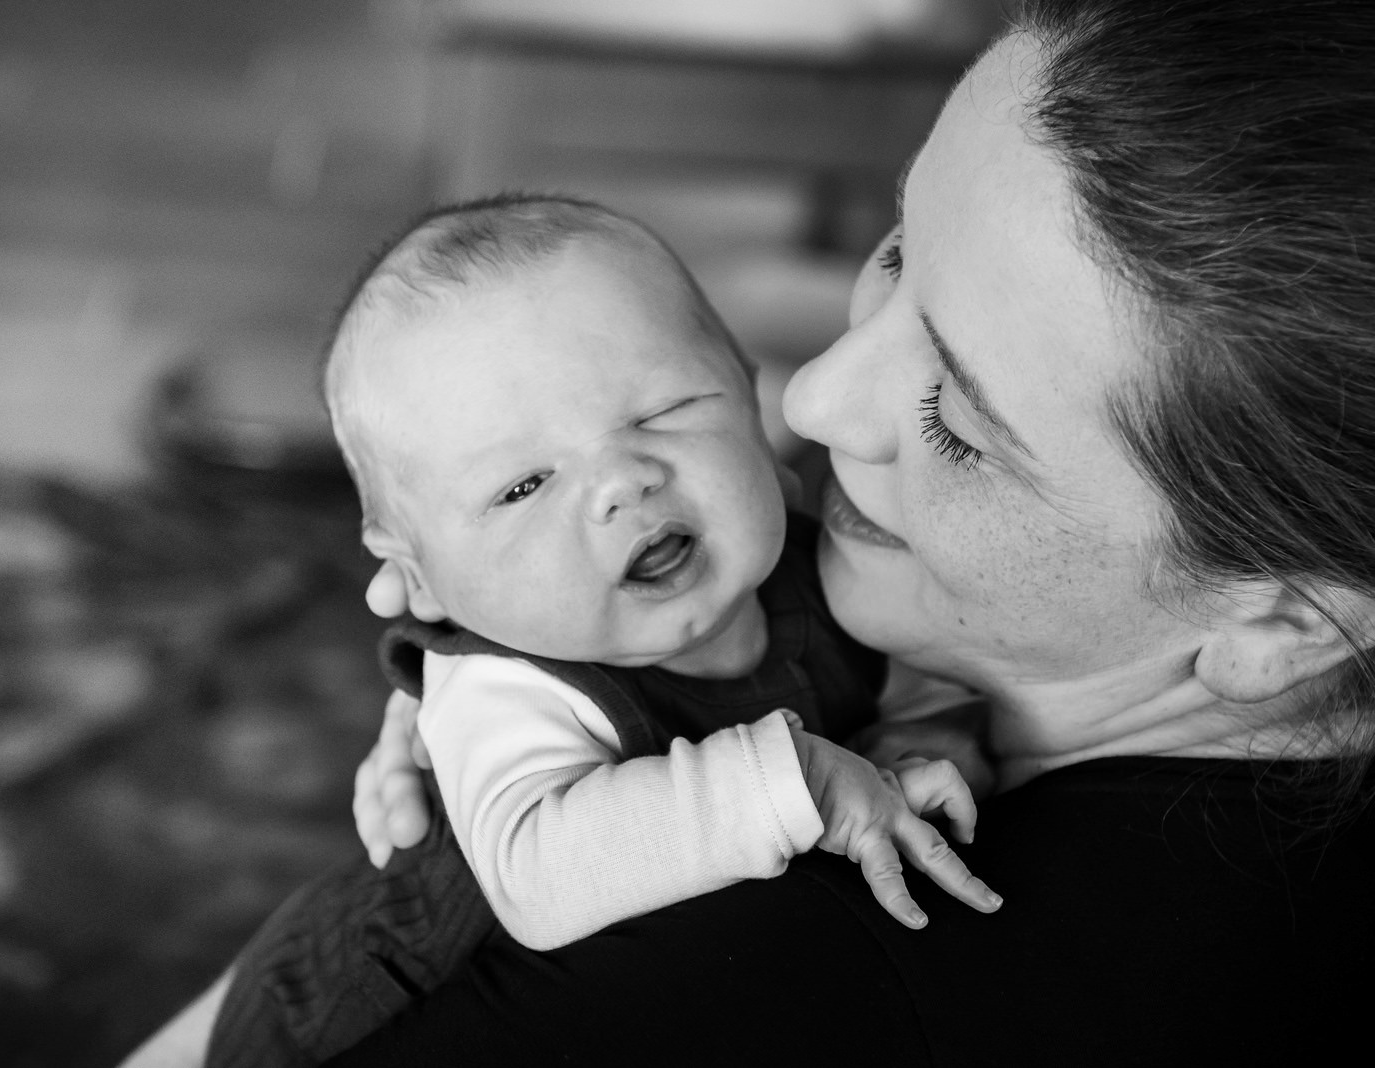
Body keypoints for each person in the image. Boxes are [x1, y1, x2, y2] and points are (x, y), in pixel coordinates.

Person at [121, 0, 1375, 1064]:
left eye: (957, 419)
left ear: (1281, 617)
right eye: (898, 254)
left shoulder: (781, 976)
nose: (813, 398)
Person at [202, 195, 1000, 1067]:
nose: (622, 482)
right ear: (421, 579)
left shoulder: (828, 575)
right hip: (360, 1021)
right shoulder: (506, 686)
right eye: (522, 486)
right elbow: (541, 876)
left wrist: (917, 755)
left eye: (663, 412)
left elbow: (929, 695)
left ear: (748, 398)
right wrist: (804, 779)